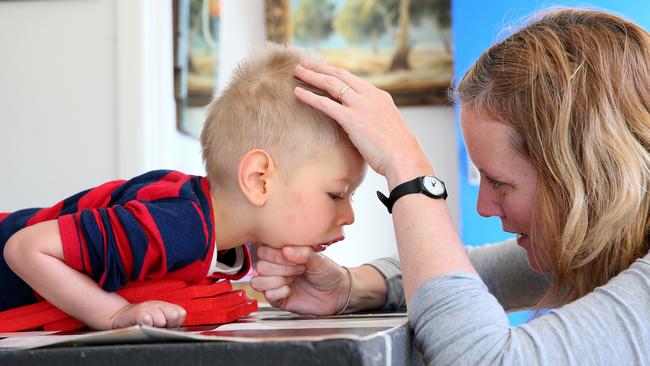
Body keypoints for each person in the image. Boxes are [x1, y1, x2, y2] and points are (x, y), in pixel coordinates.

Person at [251, 8, 650, 364]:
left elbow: (482, 359)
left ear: (586, 175)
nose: (483, 206)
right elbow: (473, 272)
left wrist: (408, 170)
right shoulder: (599, 249)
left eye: (499, 182)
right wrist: (349, 287)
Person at [1, 45, 366, 330]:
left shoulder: (220, 236)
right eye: (337, 194)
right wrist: (115, 315)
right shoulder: (175, 224)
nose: (348, 216)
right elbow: (26, 248)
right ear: (259, 179)